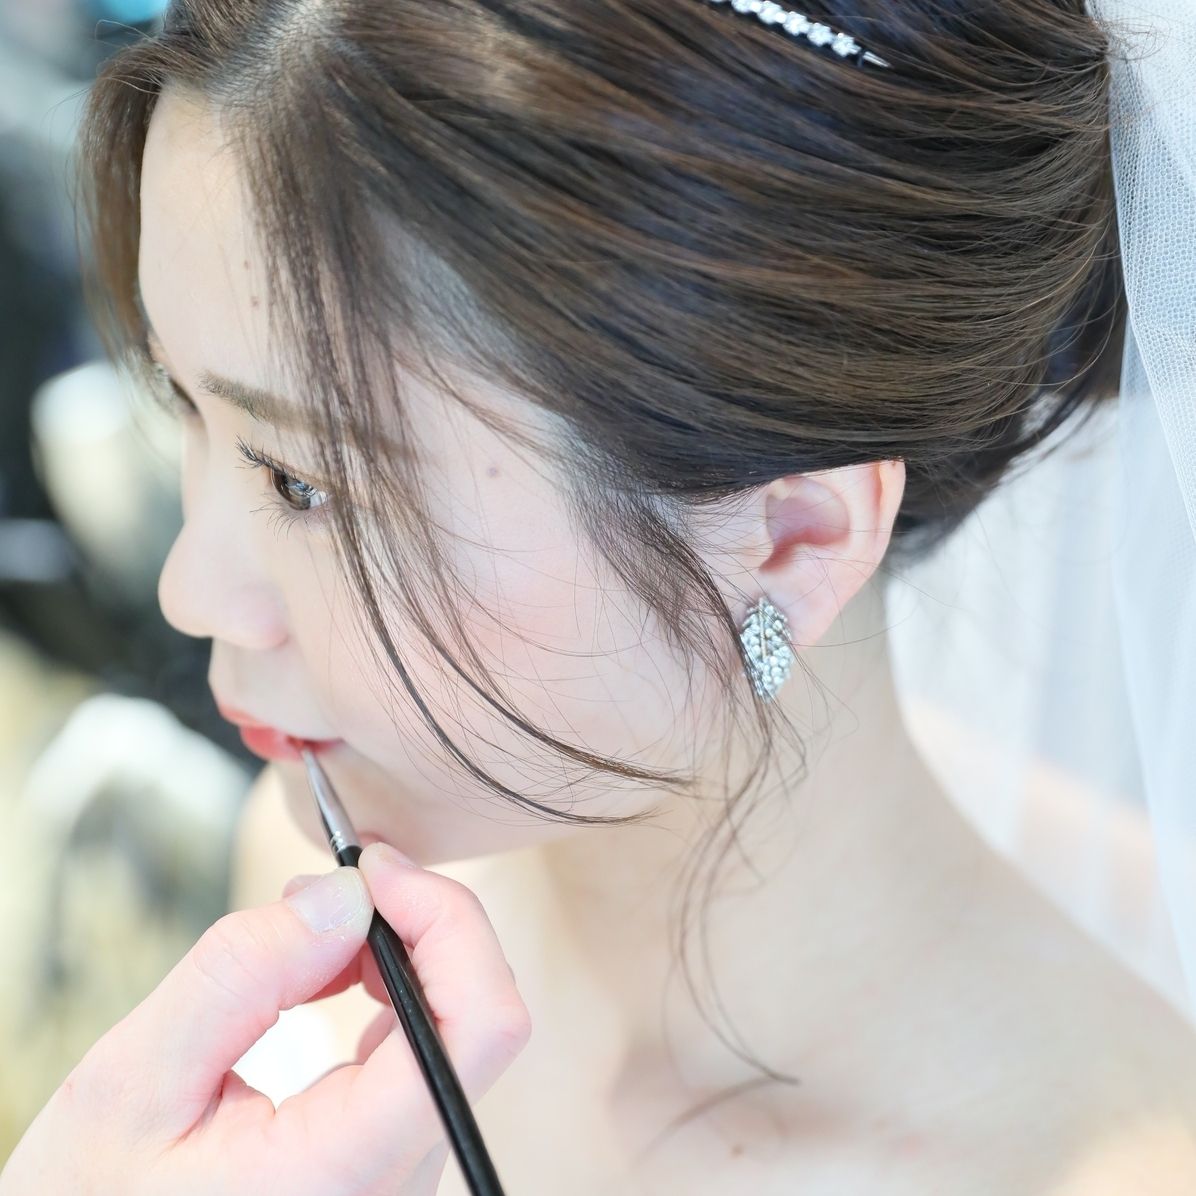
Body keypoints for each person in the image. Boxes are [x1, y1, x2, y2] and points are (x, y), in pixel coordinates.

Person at [4, 1, 1196, 1192]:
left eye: (302, 481)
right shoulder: (326, 903)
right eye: (182, 400)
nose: (188, 592)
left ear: (791, 540)